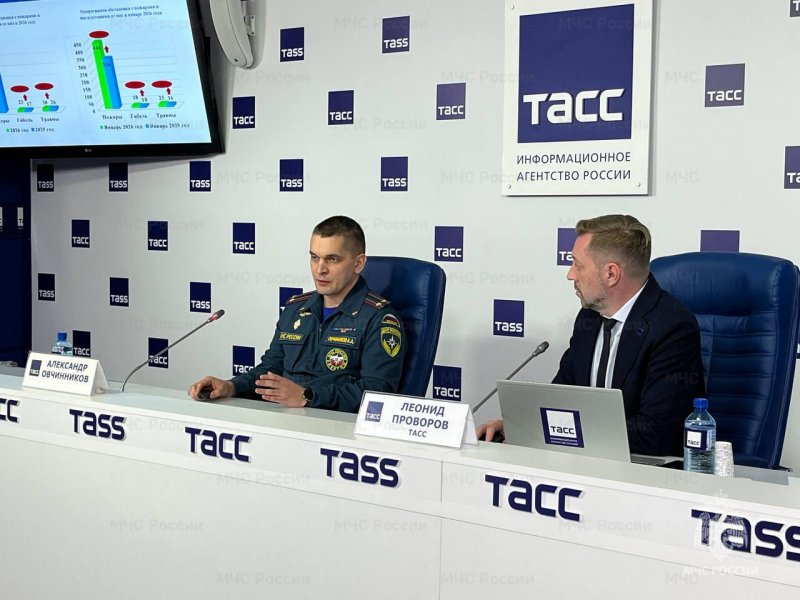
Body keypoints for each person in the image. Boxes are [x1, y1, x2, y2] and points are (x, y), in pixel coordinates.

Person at [478, 214, 705, 456]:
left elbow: (655, 434)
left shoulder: (672, 327)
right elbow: (561, 398)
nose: (570, 274)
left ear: (611, 274)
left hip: (642, 470)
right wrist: (519, 429)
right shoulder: (589, 318)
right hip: (585, 463)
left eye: (578, 265)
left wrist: (566, 433)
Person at [189, 216, 406, 412]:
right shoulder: (296, 308)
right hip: (284, 421)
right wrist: (231, 386)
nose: (320, 269)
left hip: (336, 430)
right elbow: (270, 370)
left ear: (358, 263)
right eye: (314, 257)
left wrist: (307, 396)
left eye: (332, 259)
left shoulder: (380, 318)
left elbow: (378, 394)